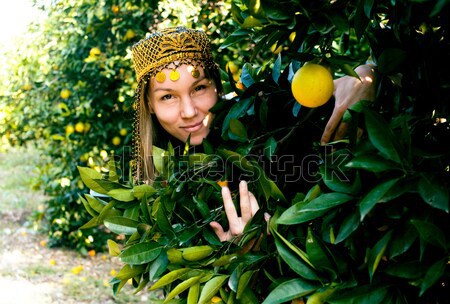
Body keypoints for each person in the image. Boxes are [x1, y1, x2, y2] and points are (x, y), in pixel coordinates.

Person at [130, 26, 376, 244]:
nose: (189, 111)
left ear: (217, 86)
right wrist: (233, 255)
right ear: (149, 105)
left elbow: (327, 92)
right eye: (168, 96)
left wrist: (367, 75)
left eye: (199, 88)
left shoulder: (265, 117)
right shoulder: (158, 188)